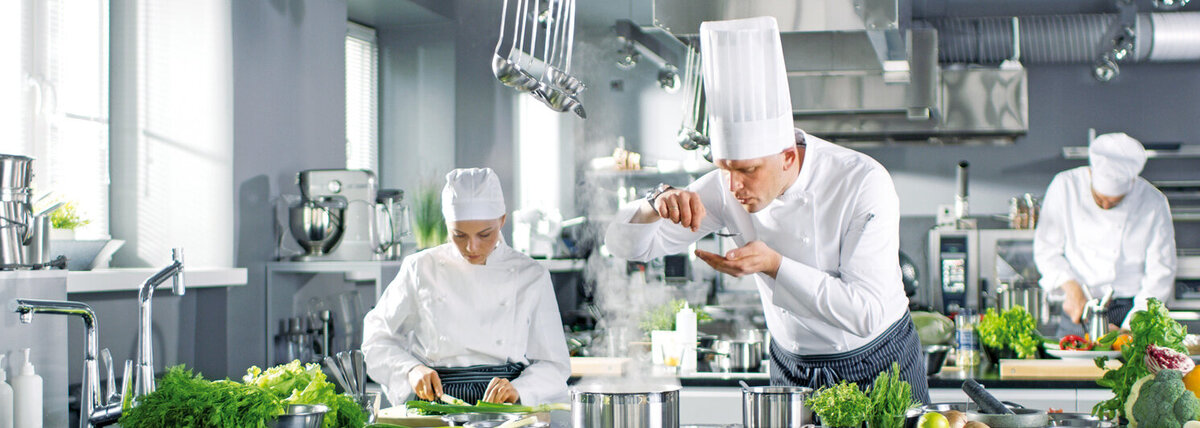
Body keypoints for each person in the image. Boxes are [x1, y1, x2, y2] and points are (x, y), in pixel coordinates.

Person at [604, 16, 928, 402]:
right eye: (724, 168)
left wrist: (774, 264)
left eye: (748, 170)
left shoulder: (862, 182)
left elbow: (865, 314)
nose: (734, 185)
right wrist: (653, 203)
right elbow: (627, 247)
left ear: (788, 156)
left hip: (876, 362)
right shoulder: (728, 184)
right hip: (792, 368)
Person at [362, 168, 570, 407]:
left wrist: (519, 389)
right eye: (459, 235)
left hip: (504, 409)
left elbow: (555, 364)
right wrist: (410, 370)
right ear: (447, 224)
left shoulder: (531, 274)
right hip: (436, 404)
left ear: (502, 220)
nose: (472, 247)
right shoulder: (420, 268)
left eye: (485, 234)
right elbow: (376, 340)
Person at [1035, 132, 1176, 333]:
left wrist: (1130, 328)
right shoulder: (1065, 186)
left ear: (1132, 183)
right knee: (1069, 365)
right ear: (1092, 175)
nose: (1107, 205)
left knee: (1129, 364)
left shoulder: (1154, 202)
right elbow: (1046, 250)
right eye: (1100, 199)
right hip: (1080, 305)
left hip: (1131, 308)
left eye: (1116, 201)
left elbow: (1161, 272)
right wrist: (1069, 286)